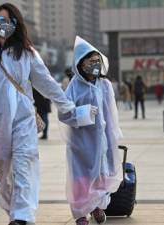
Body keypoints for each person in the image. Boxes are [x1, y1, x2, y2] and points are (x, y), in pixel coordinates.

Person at [0, 4, 86, 225]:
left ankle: (23, 216)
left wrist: (66, 105)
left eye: (9, 21)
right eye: (0, 20)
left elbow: (45, 82)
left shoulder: (27, 53)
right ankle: (16, 214)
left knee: (24, 164)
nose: (4, 25)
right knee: (6, 173)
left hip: (23, 119)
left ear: (16, 25)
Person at [58, 36, 123, 225]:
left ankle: (95, 207)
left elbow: (111, 114)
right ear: (80, 63)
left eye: (97, 60)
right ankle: (80, 214)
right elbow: (64, 114)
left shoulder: (105, 85)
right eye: (90, 60)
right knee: (81, 180)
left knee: (101, 177)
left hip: (103, 141)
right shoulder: (74, 87)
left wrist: (113, 137)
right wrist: (83, 113)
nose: (95, 64)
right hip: (81, 144)